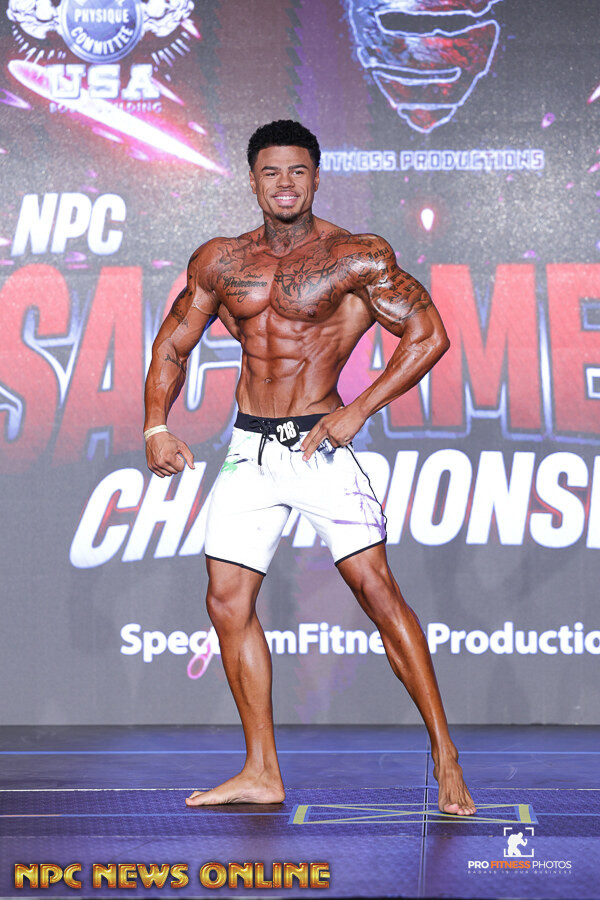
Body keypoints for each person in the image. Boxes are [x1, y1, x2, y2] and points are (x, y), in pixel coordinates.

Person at [144, 119, 476, 816]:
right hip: (249, 450)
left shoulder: (355, 256)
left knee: (377, 592)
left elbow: (429, 335)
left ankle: (445, 755)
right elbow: (172, 345)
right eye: (272, 172)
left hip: (318, 445)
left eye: (298, 171)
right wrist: (156, 424)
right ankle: (261, 770)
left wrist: (358, 410)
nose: (285, 184)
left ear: (317, 177)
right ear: (253, 181)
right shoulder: (221, 260)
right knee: (226, 602)